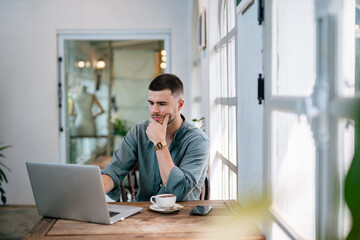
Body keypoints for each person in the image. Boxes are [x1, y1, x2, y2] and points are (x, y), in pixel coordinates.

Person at [101, 73, 209, 201]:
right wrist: (90, 193)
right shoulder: (139, 131)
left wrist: (159, 141)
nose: (154, 110)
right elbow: (114, 171)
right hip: (142, 215)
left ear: (180, 105)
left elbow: (178, 192)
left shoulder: (198, 140)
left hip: (181, 217)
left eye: (162, 104)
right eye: (151, 103)